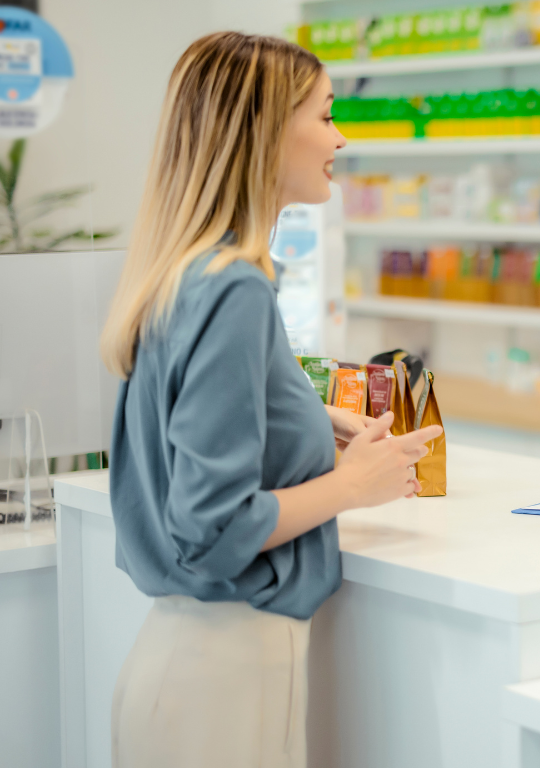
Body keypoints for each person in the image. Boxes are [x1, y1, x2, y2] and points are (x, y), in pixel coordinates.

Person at [98, 32, 443, 768]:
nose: (340, 138)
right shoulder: (236, 290)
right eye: (323, 115)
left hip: (192, 671)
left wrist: (312, 423)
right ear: (262, 130)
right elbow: (213, 527)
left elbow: (184, 414)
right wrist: (350, 485)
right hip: (220, 681)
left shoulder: (188, 271)